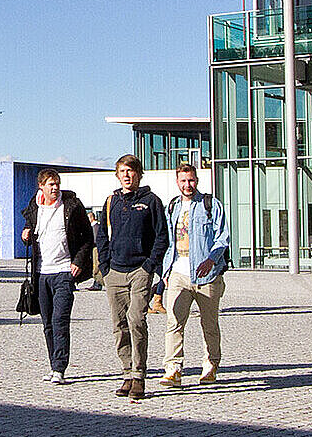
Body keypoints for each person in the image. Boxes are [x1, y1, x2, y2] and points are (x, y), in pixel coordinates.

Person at [96, 154, 168, 401]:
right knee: (119, 325)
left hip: (140, 270)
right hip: (114, 272)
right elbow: (102, 236)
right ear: (117, 175)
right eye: (122, 171)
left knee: (137, 320)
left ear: (139, 174)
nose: (127, 175)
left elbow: (162, 237)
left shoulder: (151, 201)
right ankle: (127, 372)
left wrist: (149, 266)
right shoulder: (111, 202)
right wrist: (104, 267)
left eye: (131, 171)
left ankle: (139, 375)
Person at [158, 163, 230, 388]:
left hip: (206, 274)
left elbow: (223, 237)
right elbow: (168, 241)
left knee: (209, 323)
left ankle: (210, 364)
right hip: (178, 272)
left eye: (191, 180)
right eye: (183, 181)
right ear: (177, 182)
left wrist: (211, 259)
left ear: (196, 180)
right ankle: (173, 368)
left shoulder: (210, 204)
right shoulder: (172, 207)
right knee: (174, 322)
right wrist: (165, 272)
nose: (187, 185)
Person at [21, 169, 94, 385]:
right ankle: (53, 365)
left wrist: (78, 262)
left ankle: (60, 367)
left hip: (64, 272)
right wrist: (26, 234)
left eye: (57, 184)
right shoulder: (34, 207)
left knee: (60, 319)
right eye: (50, 184)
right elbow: (32, 232)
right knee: (47, 323)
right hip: (41, 273)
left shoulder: (71, 206)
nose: (55, 188)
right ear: (41, 186)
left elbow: (88, 238)